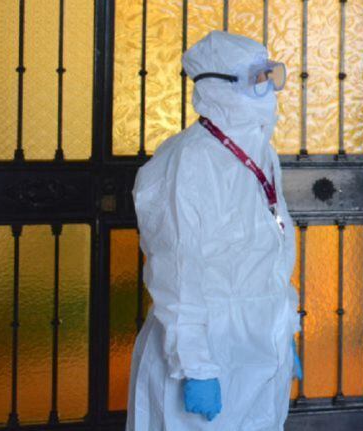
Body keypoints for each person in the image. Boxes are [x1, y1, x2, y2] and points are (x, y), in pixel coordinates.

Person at [127, 30, 302, 430]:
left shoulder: (261, 152)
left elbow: (273, 251)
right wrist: (196, 365)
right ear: (219, 86)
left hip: (259, 344)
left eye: (270, 77)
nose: (268, 90)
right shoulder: (187, 160)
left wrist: (282, 327)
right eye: (257, 79)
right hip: (203, 348)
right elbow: (177, 271)